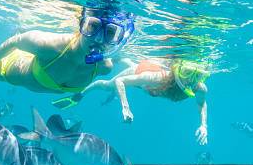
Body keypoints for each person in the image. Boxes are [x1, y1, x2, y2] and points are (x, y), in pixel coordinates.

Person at [0, 7, 135, 94]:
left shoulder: (104, 67)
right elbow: (15, 41)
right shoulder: (51, 45)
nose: (99, 39)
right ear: (81, 25)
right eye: (92, 27)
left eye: (110, 33)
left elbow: (116, 60)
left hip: (39, 69)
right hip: (12, 67)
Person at [53, 58, 210, 145]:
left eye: (197, 76)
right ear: (179, 70)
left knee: (130, 67)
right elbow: (120, 81)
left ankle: (123, 59)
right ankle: (79, 95)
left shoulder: (199, 87)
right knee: (108, 86)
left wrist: (203, 125)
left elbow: (201, 103)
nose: (190, 80)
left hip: (147, 81)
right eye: (187, 73)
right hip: (142, 73)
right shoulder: (157, 78)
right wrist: (125, 108)